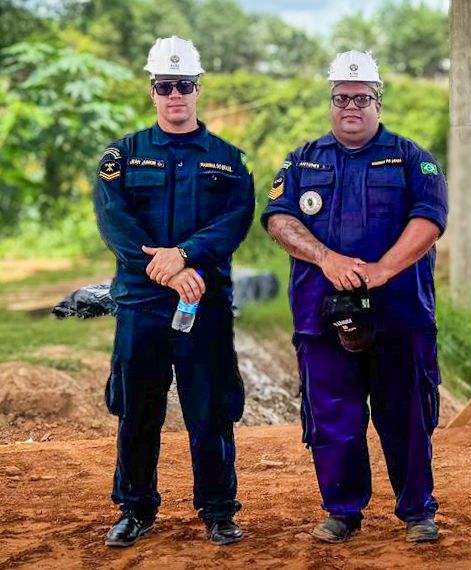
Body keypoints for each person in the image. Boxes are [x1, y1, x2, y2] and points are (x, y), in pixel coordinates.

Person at [261, 50, 448, 544]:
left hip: (400, 314)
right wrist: (326, 259)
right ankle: (342, 511)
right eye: (341, 97)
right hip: (323, 318)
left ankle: (417, 512)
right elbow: (279, 219)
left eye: (361, 97)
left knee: (405, 416)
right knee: (334, 419)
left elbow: (429, 220)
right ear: (331, 102)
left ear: (378, 102)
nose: (351, 106)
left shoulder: (412, 158)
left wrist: (384, 270)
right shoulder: (302, 160)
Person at [93, 36, 254, 547]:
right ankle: (135, 509)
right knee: (139, 409)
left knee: (209, 409)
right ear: (152, 90)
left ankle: (219, 510)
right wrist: (167, 268)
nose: (175, 94)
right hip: (142, 305)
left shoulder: (229, 161)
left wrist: (183, 256)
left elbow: (235, 222)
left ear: (198, 88)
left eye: (184, 85)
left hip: (203, 303)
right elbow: (115, 223)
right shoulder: (123, 155)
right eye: (166, 86)